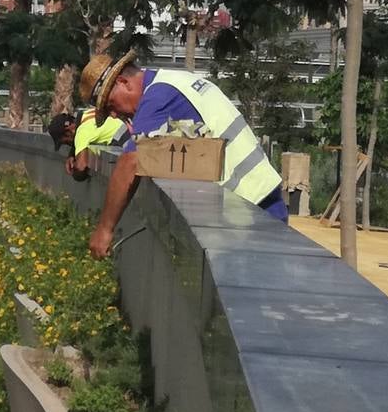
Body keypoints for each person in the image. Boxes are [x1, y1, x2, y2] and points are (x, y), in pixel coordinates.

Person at [78, 48, 286, 259]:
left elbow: (130, 163)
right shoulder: (174, 80)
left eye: (110, 105)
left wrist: (104, 230)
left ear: (123, 82)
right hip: (260, 197)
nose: (114, 114)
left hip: (249, 206)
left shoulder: (156, 97)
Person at [45, 111, 129, 180]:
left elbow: (82, 167)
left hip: (123, 140)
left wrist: (74, 170)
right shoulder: (87, 114)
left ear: (68, 131)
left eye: (66, 142)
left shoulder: (81, 133)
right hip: (129, 130)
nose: (69, 144)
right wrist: (71, 155)